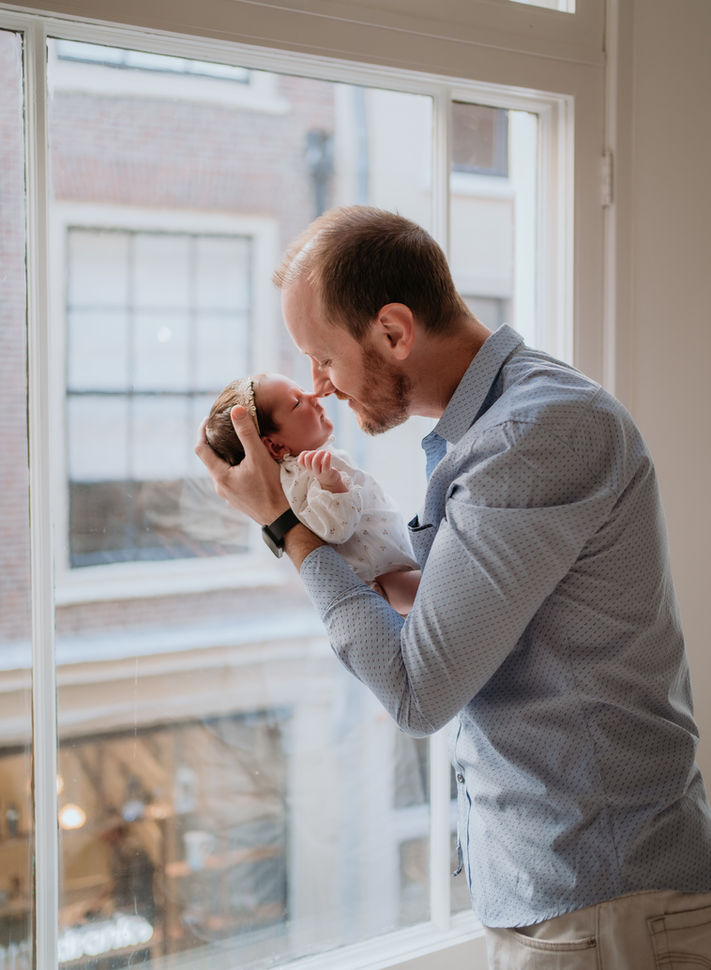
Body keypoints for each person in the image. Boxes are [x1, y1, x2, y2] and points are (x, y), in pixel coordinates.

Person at [195, 205, 711, 968]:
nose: (321, 388)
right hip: (575, 902)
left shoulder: (533, 436)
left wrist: (285, 527)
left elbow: (417, 693)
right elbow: (443, 614)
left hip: (604, 910)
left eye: (323, 358)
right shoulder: (496, 436)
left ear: (393, 333)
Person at [205, 371, 419, 612]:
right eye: (297, 403)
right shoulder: (299, 477)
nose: (314, 396)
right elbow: (335, 528)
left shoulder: (311, 464)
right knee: (430, 593)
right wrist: (330, 484)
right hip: (385, 583)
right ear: (275, 446)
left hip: (393, 562)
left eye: (302, 391)